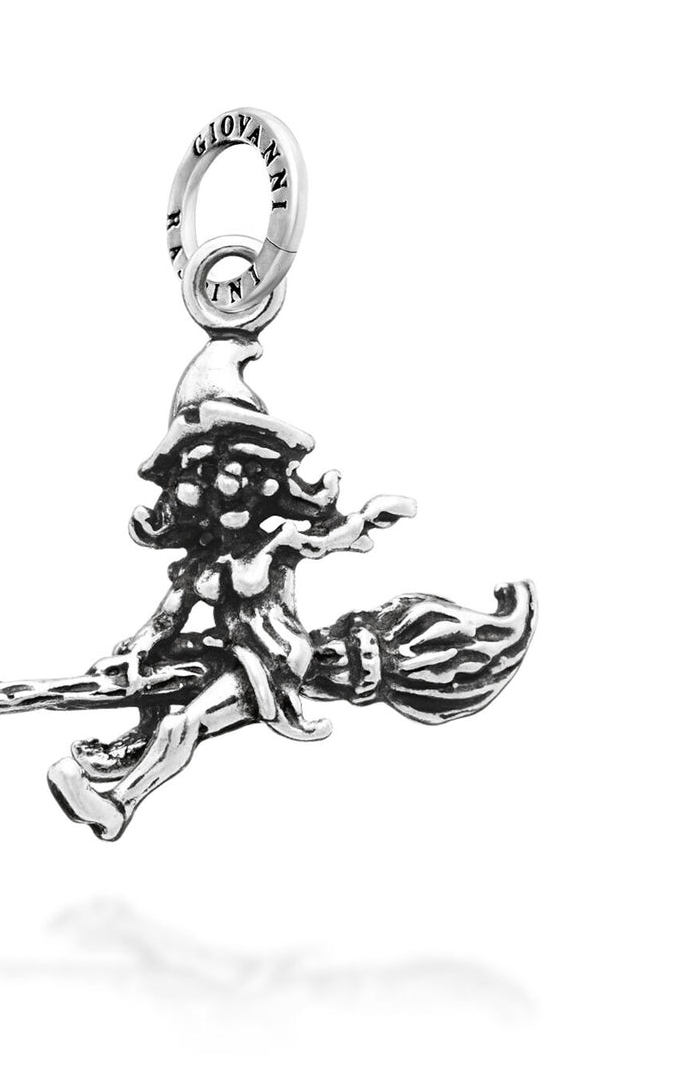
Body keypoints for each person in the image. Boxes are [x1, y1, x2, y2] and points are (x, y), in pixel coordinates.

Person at [47, 337, 416, 840]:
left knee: (183, 726)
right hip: (225, 650)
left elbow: (327, 540)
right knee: (151, 667)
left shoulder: (281, 539)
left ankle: (117, 805)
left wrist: (369, 520)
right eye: (208, 475)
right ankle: (134, 745)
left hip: (273, 657)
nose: (228, 485)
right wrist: (136, 653)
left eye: (245, 472)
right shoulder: (198, 565)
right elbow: (165, 618)